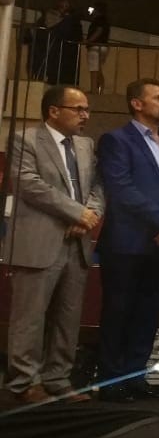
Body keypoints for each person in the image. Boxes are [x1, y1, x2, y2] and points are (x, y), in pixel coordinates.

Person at [3, 85, 103, 404]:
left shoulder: (86, 145)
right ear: (54, 111)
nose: (85, 115)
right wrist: (76, 212)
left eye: (87, 109)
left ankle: (57, 379)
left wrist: (89, 216)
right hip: (38, 242)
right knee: (29, 319)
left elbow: (98, 186)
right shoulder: (25, 139)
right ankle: (24, 383)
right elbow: (29, 184)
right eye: (78, 109)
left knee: (67, 317)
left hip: (77, 243)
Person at [96, 78, 159, 402]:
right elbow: (122, 189)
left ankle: (136, 376)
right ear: (137, 103)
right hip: (126, 242)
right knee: (118, 311)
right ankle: (111, 380)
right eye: (158, 97)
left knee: (149, 312)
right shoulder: (116, 140)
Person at [85, 2, 110, 95]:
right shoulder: (105, 20)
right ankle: (101, 89)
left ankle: (94, 90)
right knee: (98, 68)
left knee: (94, 69)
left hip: (95, 46)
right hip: (103, 46)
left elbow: (99, 31)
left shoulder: (98, 20)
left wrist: (88, 41)